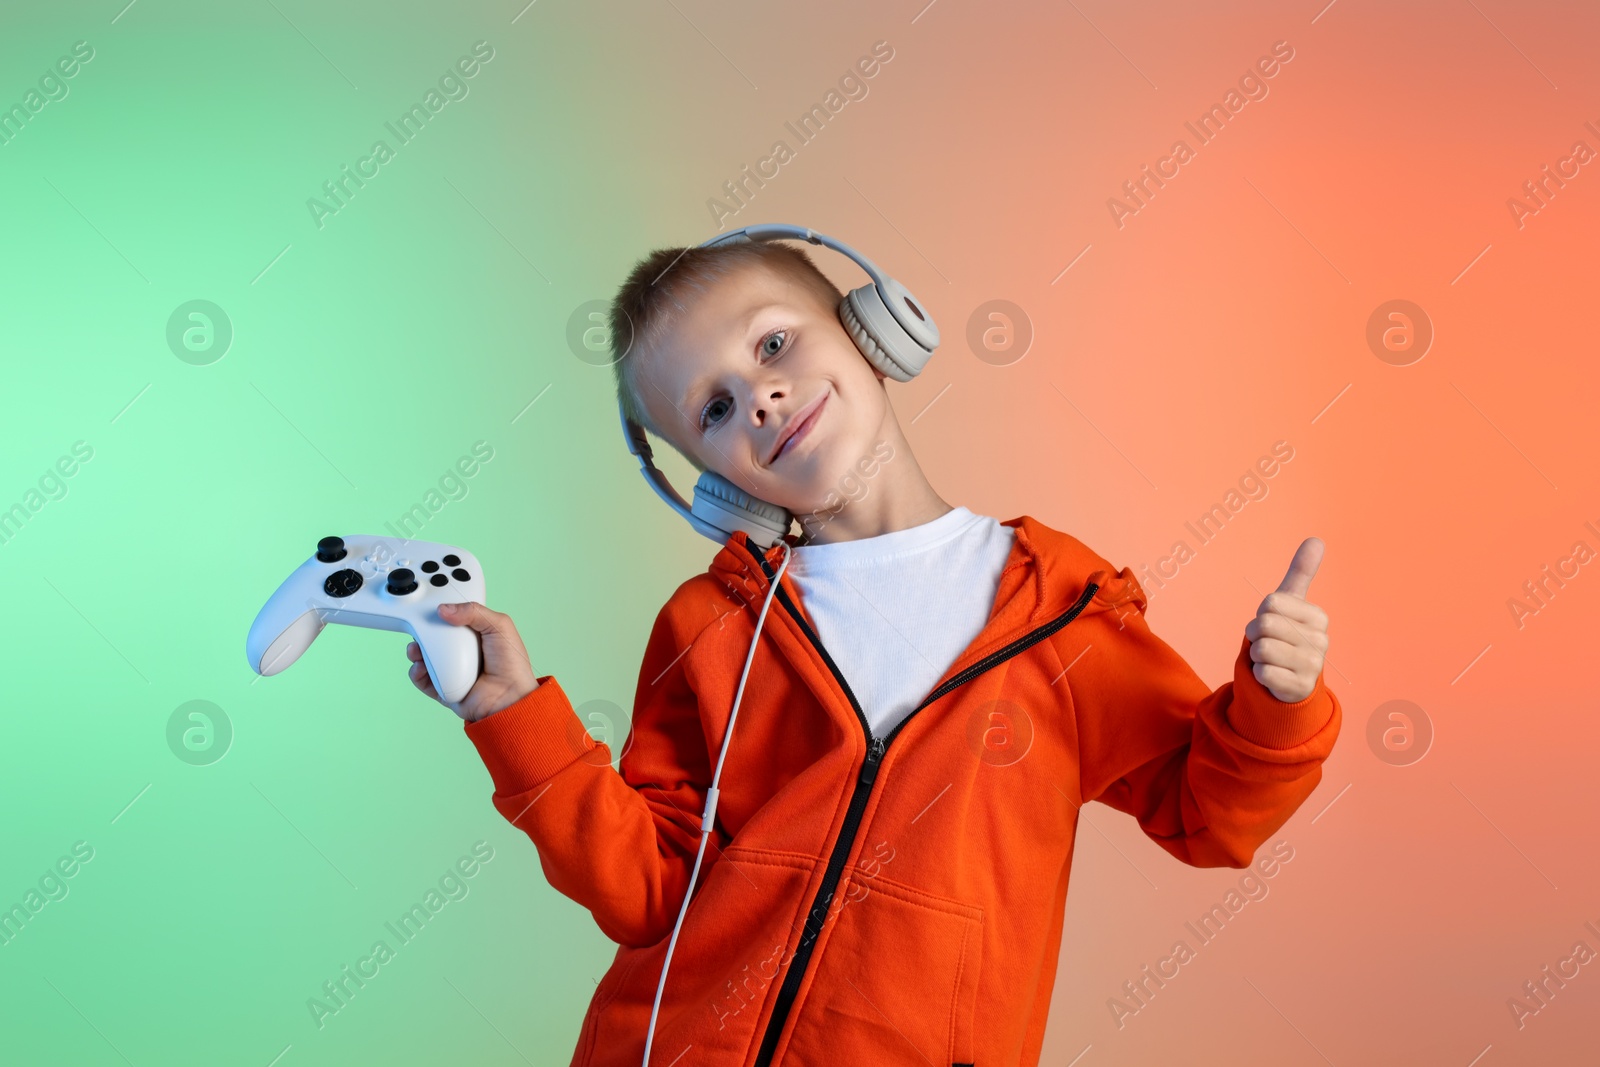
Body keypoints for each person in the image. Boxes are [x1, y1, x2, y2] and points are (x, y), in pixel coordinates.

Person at [406, 236, 1341, 1066]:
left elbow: (1208, 811)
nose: (762, 397)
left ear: (873, 330)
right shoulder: (708, 622)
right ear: (713, 484)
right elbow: (652, 889)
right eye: (716, 409)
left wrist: (1276, 702)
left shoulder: (1060, 609)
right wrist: (514, 717)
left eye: (773, 344)